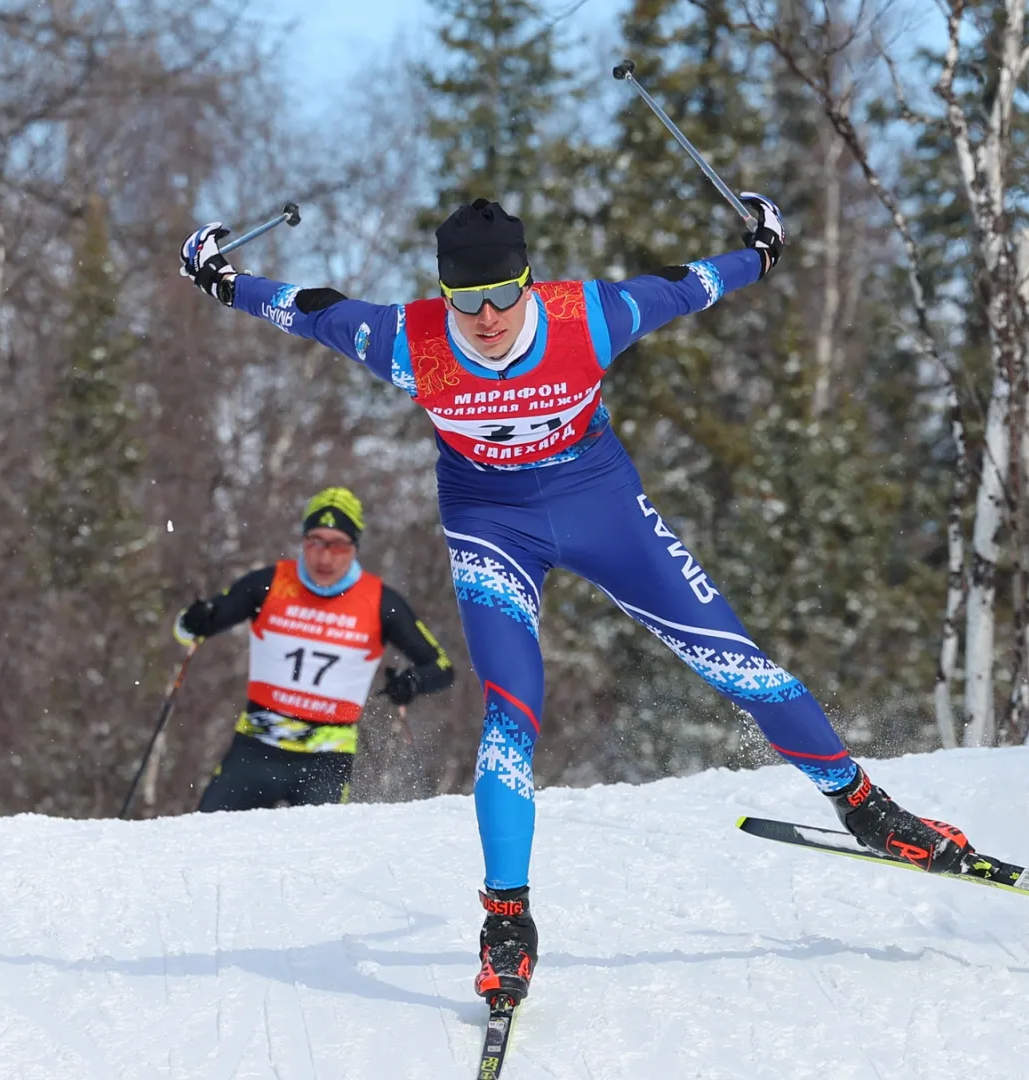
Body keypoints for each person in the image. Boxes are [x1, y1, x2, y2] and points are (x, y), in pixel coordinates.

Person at [177, 197, 974, 1005]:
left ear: (529, 281)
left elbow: (692, 284)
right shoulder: (405, 339)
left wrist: (762, 251)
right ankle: (507, 920)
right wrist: (222, 280)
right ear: (442, 295)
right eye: (466, 300)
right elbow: (306, 310)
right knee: (512, 710)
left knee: (739, 666)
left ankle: (864, 806)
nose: (487, 318)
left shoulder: (587, 317)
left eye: (503, 294)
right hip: (492, 527)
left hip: (603, 509)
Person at [172, 486, 456, 811]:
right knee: (206, 841)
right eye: (315, 542)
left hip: (327, 757)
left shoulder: (380, 603)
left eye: (337, 545)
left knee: (318, 859)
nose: (324, 557)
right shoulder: (268, 584)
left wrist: (412, 682)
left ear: (354, 547)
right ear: (303, 541)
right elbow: (190, 631)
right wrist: (191, 621)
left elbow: (442, 668)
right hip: (257, 746)